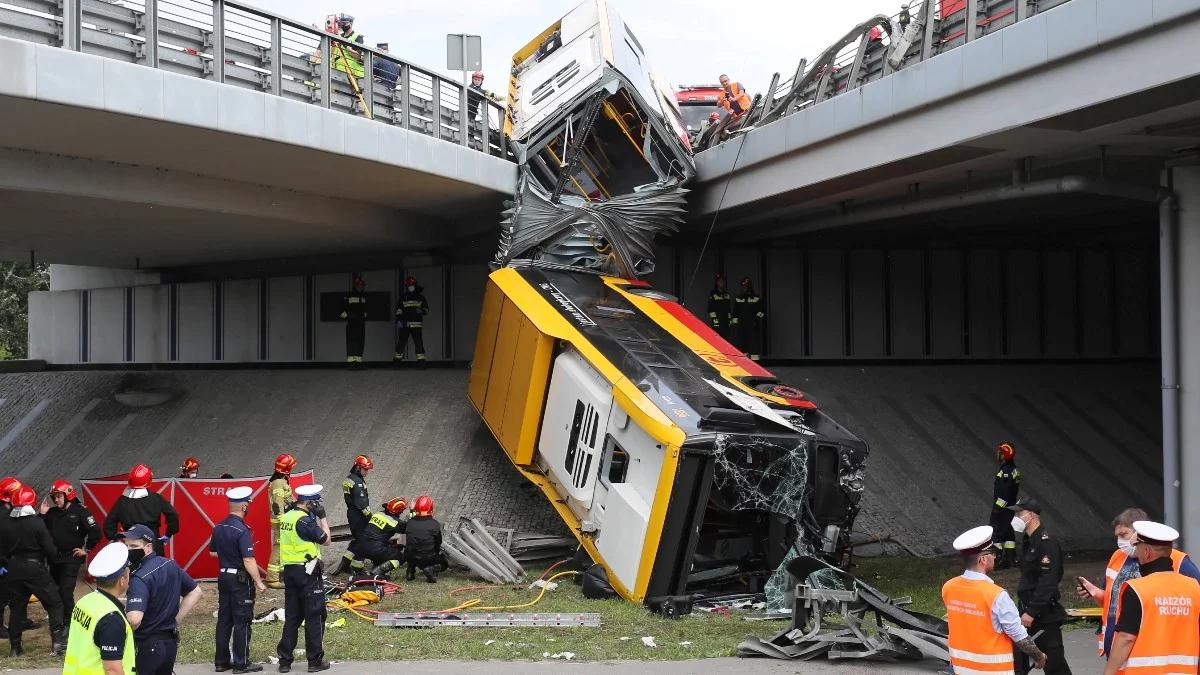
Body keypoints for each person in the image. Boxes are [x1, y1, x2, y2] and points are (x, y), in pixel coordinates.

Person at [1077, 507, 1200, 658]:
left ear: (1140, 533)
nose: (1120, 541)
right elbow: (1115, 603)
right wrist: (1096, 593)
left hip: (1151, 648)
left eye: (1123, 535)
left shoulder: (1177, 560)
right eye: (1117, 536)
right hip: (1117, 647)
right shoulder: (1118, 557)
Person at [943, 525, 1046, 674]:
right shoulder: (996, 595)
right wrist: (1039, 656)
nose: (995, 556)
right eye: (993, 552)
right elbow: (1019, 636)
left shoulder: (949, 587)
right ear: (983, 559)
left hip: (960, 668)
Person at [1103, 520, 1200, 675]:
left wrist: (1108, 672)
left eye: (1139, 550)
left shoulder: (1137, 589)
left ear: (1147, 552)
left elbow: (1126, 638)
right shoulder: (1194, 588)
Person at [121, 524, 202, 675]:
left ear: (148, 547)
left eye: (134, 545)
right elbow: (195, 591)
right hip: (169, 643)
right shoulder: (170, 564)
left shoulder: (139, 577)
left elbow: (134, 619)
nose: (129, 550)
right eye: (126, 545)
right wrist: (175, 620)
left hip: (147, 645)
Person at [1008, 498, 1072, 675]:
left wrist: (1032, 611)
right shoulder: (1028, 541)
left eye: (1019, 513)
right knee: (1018, 662)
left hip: (1043, 615)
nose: (1016, 517)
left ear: (1031, 515)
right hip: (1026, 611)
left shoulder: (1047, 542)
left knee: (1054, 664)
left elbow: (1049, 580)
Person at [3, 486, 66, 656]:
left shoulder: (6, 522)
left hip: (14, 569)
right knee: (54, 603)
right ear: (31, 502)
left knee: (16, 608)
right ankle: (58, 645)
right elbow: (50, 549)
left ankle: (15, 649)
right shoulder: (36, 522)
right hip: (35, 568)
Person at [276, 484, 332, 673]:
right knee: (315, 615)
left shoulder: (287, 517)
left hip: (290, 571)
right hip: (307, 573)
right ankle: (315, 661)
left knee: (293, 616)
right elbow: (326, 540)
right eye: (317, 503)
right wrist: (322, 517)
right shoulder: (304, 522)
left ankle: (285, 661)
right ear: (310, 503)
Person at [211, 486, 266, 673]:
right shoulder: (242, 530)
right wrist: (258, 581)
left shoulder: (219, 526)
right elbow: (248, 559)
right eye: (248, 504)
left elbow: (212, 552)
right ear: (244, 506)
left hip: (223, 576)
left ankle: (221, 661)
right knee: (242, 620)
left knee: (224, 620)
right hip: (239, 579)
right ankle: (241, 663)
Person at [39, 479, 101, 637]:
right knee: (55, 592)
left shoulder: (81, 511)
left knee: (66, 591)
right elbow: (37, 529)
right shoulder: (51, 513)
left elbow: (95, 532)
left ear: (68, 495)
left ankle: (71, 623)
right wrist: (42, 514)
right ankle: (60, 622)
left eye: (59, 496)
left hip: (71, 558)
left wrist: (86, 549)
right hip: (54, 559)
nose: (56, 500)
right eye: (54, 497)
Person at [62, 542, 134, 675]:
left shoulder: (84, 601)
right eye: (128, 574)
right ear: (122, 580)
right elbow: (112, 670)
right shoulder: (111, 618)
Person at [103, 464, 179, 557]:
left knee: (134, 570)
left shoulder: (122, 501)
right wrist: (169, 533)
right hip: (153, 541)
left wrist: (116, 539)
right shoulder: (156, 498)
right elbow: (173, 515)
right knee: (158, 568)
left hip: (131, 543)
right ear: (149, 480)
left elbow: (109, 524)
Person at [338, 455, 374, 575]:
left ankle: (345, 562)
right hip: (359, 516)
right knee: (364, 541)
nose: (367, 471)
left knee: (358, 540)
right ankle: (357, 568)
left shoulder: (350, 478)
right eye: (365, 469)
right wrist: (370, 518)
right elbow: (362, 504)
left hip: (352, 514)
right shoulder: (357, 483)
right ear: (358, 468)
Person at [267, 453, 297, 589]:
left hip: (284, 519)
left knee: (284, 546)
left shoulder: (281, 480)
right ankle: (272, 579)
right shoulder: (279, 483)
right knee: (279, 547)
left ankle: (281, 573)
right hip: (281, 520)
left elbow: (288, 500)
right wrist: (282, 521)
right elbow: (278, 505)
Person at [359, 498, 409, 578]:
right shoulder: (395, 522)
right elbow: (407, 530)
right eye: (402, 510)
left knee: (383, 547)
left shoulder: (378, 514)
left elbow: (378, 533)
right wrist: (402, 545)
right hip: (375, 549)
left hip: (362, 546)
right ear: (399, 511)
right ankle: (379, 571)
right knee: (400, 557)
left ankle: (376, 566)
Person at [0, 476, 23, 640]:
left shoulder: (7, 512)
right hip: (3, 563)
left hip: (7, 561)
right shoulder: (4, 516)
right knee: (2, 596)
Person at [991, 442, 1021, 568]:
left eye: (1000, 453)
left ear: (1005, 455)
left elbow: (1005, 492)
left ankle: (997, 561)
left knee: (996, 532)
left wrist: (998, 507)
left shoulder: (1007, 471)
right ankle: (1010, 558)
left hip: (1003, 508)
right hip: (1010, 508)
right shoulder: (1013, 469)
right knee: (1008, 533)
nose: (998, 455)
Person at [404, 495, 447, 583]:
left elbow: (413, 519)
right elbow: (438, 543)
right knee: (444, 563)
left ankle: (410, 572)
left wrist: (412, 510)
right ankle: (430, 569)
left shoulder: (410, 523)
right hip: (428, 558)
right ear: (431, 508)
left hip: (410, 557)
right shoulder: (435, 524)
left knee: (410, 550)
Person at [394, 276, 430, 362]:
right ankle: (397, 362)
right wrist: (399, 323)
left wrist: (419, 311)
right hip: (404, 325)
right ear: (406, 287)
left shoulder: (421, 298)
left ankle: (421, 362)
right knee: (401, 343)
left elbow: (426, 310)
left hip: (416, 325)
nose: (410, 287)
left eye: (412, 285)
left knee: (419, 344)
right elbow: (398, 311)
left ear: (415, 285)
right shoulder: (403, 298)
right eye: (408, 285)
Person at [732, 276, 765, 360]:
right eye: (742, 286)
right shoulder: (738, 299)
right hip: (741, 327)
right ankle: (744, 363)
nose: (743, 288)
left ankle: (756, 364)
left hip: (752, 327)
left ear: (750, 287)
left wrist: (756, 321)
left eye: (745, 286)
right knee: (741, 345)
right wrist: (735, 326)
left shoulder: (756, 299)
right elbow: (735, 314)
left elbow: (762, 312)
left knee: (753, 346)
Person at [341, 275, 368, 364]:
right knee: (352, 342)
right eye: (359, 285)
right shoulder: (349, 295)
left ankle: (358, 361)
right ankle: (351, 362)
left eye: (361, 285)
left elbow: (366, 309)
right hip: (352, 323)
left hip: (361, 323)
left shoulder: (364, 296)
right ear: (355, 286)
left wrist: (365, 314)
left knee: (360, 341)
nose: (360, 287)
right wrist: (349, 316)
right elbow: (343, 310)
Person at [329, 13, 364, 81]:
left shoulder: (357, 37)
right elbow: (331, 54)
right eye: (341, 23)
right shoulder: (338, 37)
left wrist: (344, 44)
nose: (342, 25)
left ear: (350, 23)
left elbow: (358, 56)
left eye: (344, 23)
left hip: (354, 74)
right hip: (338, 73)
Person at [706, 274, 733, 341]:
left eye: (723, 281)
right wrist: (715, 320)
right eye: (720, 281)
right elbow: (710, 309)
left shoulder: (727, 294)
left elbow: (728, 309)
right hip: (717, 322)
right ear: (717, 283)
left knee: (726, 340)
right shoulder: (713, 294)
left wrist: (730, 320)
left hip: (726, 322)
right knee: (717, 340)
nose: (721, 283)